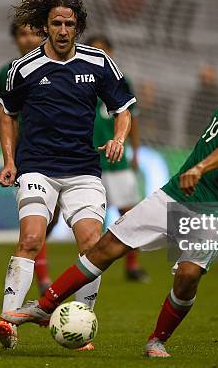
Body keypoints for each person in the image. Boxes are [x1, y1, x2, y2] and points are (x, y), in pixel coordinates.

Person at [2, 33, 218, 358]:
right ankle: (44, 306)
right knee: (106, 246)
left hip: (215, 207)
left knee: (188, 277)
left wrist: (206, 166)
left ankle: (156, 340)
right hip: (176, 193)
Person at [0, 0, 135, 349]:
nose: (62, 29)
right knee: (31, 238)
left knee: (91, 243)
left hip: (83, 170)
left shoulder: (99, 63)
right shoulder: (23, 69)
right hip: (37, 168)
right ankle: (8, 323)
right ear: (45, 26)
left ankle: (81, 322)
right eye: (56, 23)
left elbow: (123, 109)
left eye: (69, 23)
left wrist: (119, 137)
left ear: (78, 27)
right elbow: (6, 114)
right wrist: (10, 160)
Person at [0, 19, 54, 296]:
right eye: (22, 34)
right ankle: (43, 278)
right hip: (29, 156)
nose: (27, 39)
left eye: (33, 33)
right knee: (36, 221)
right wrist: (10, 154)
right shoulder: (8, 71)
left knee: (48, 221)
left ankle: (37, 266)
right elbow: (2, 114)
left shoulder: (56, 65)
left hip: (62, 155)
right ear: (15, 39)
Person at [87, 34, 149, 283]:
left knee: (130, 216)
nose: (99, 55)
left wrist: (134, 152)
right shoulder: (78, 80)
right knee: (91, 220)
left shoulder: (122, 81)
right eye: (94, 51)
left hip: (119, 159)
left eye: (103, 50)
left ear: (111, 52)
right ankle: (91, 268)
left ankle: (132, 266)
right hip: (90, 162)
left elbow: (131, 118)